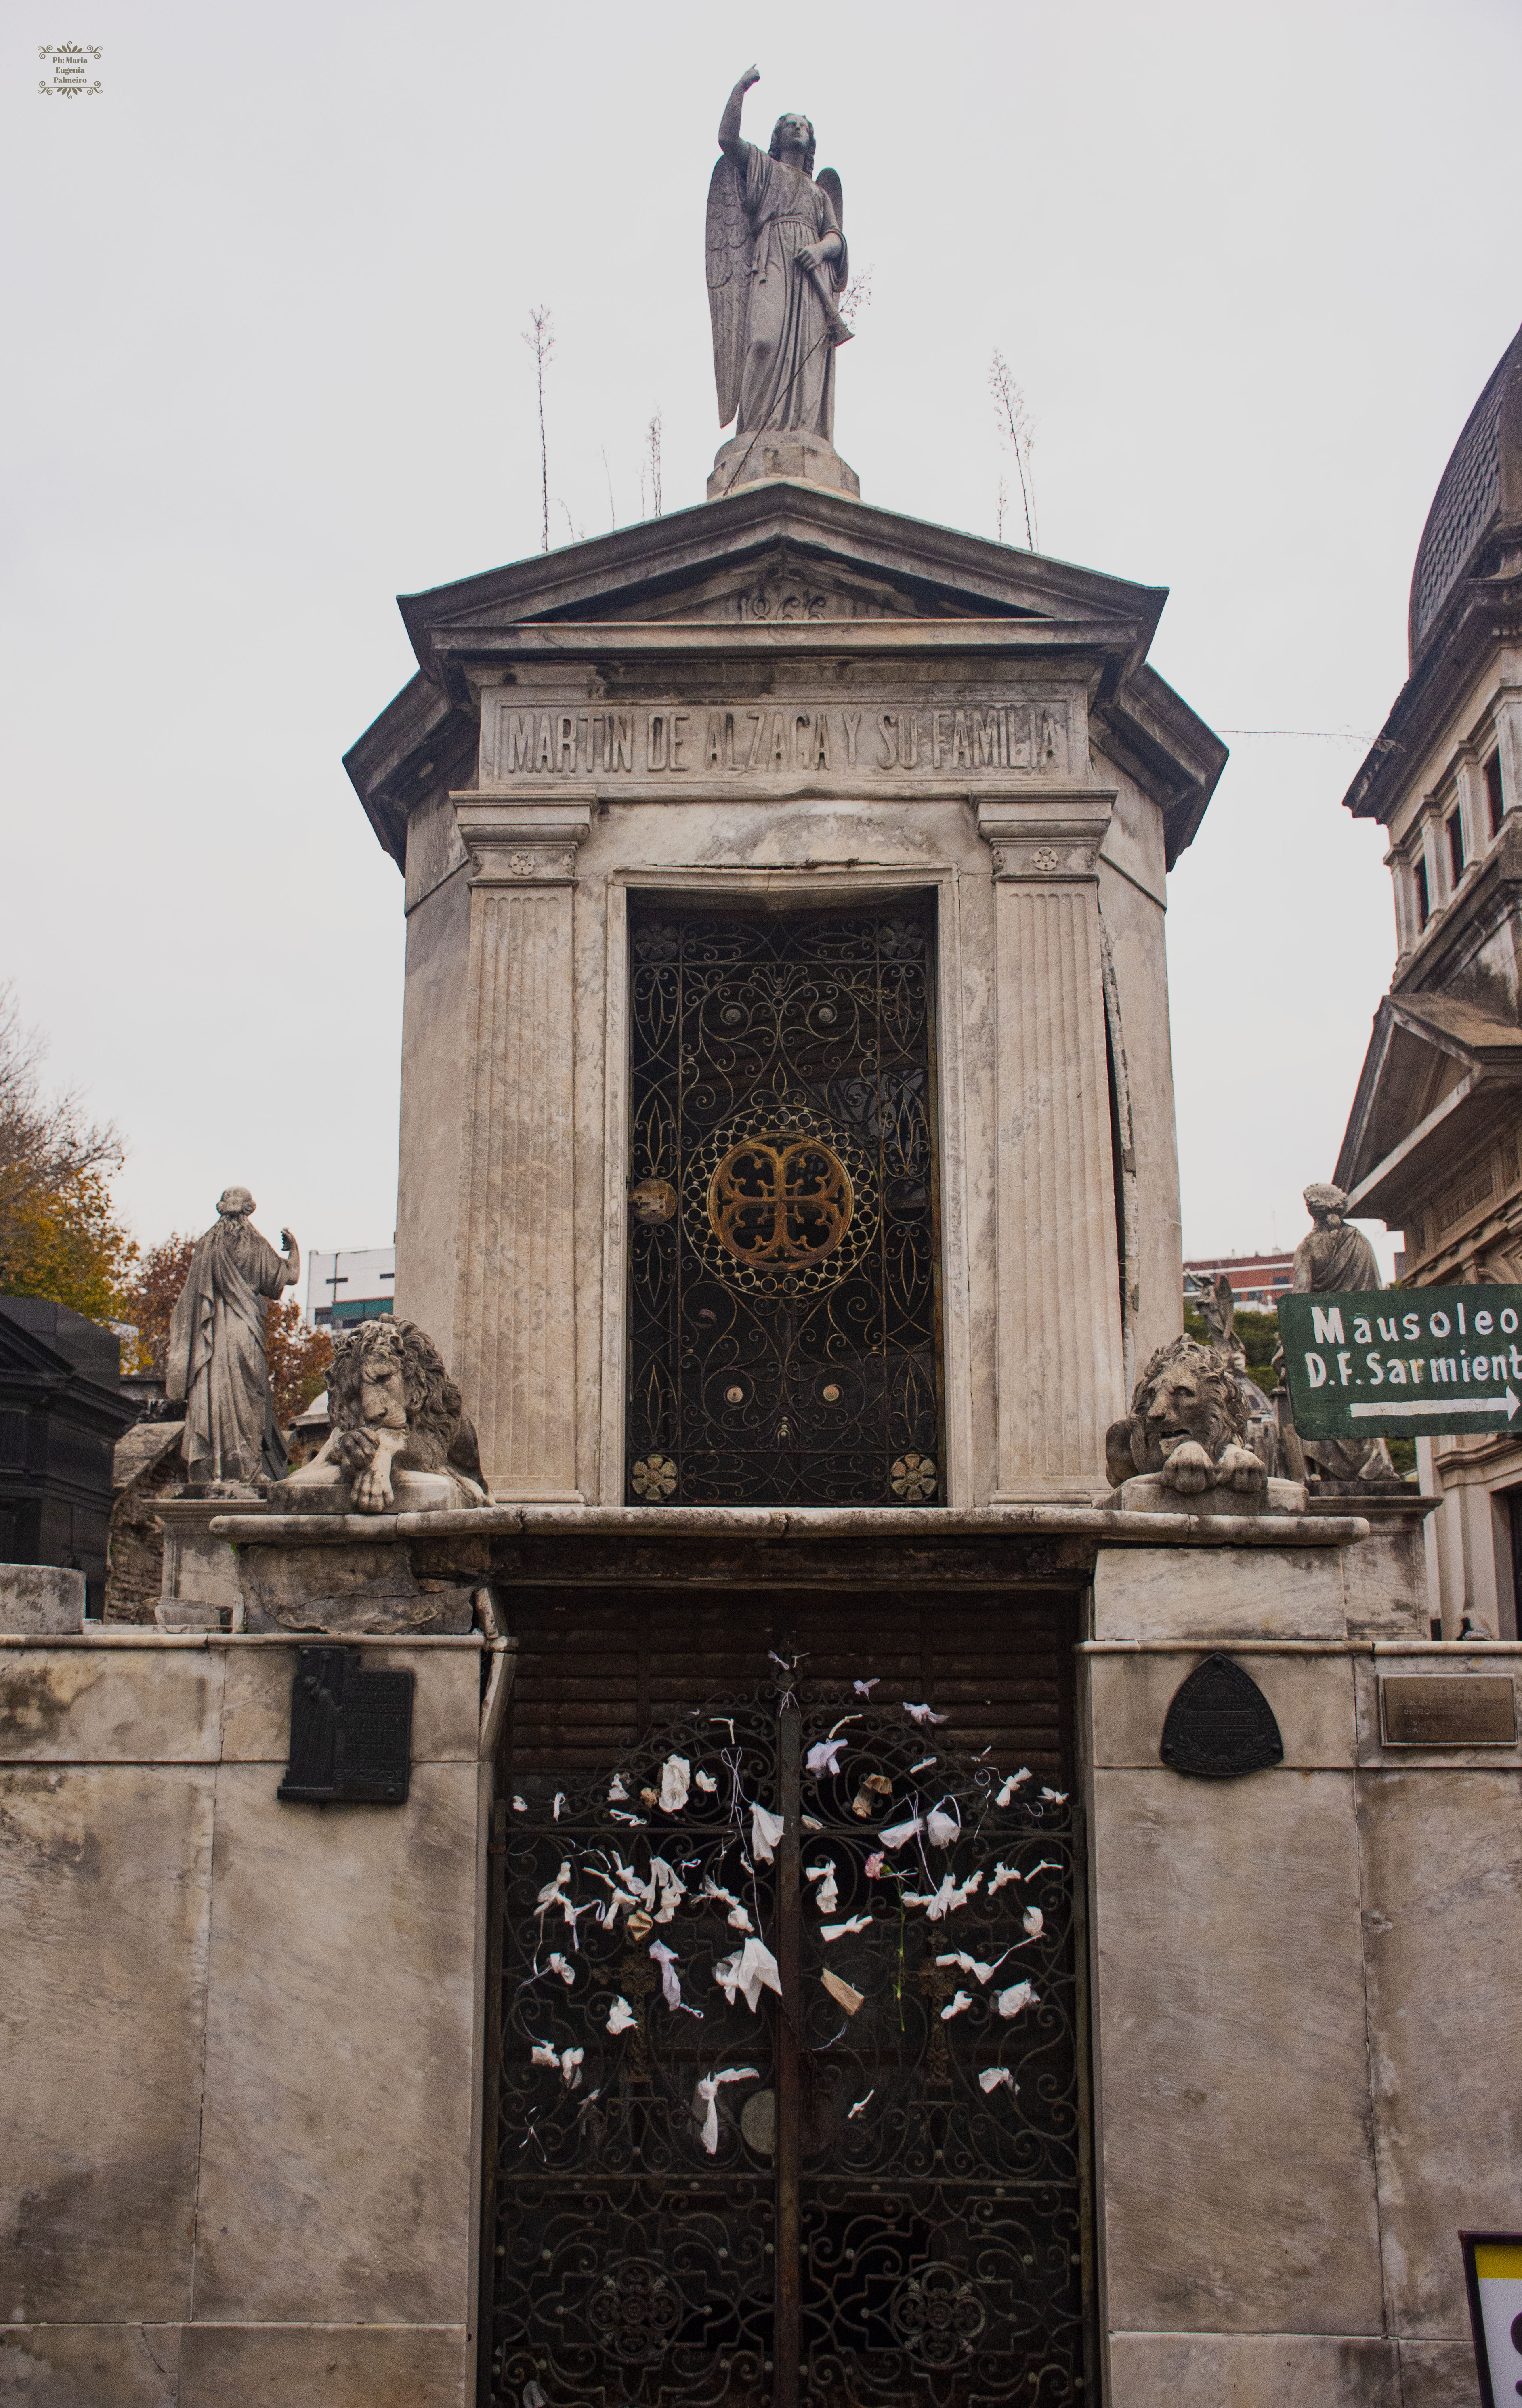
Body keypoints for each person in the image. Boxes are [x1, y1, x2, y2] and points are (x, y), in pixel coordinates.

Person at [714, 65, 849, 445]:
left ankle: (802, 431)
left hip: (811, 275)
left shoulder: (819, 193)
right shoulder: (763, 168)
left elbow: (836, 238)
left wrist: (820, 249)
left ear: (811, 142)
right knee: (763, 343)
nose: (797, 128)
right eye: (788, 124)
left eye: (803, 126)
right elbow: (727, 139)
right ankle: (754, 434)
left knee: (807, 356)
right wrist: (740, 89)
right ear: (776, 137)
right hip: (771, 260)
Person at [166, 1187, 299, 1486]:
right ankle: (245, 1468)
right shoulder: (256, 1245)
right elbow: (290, 1275)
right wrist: (293, 1248)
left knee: (213, 1391)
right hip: (245, 1331)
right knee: (248, 1395)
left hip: (211, 1332)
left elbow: (191, 1301)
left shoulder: (207, 1246)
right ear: (250, 1209)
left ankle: (212, 1465)